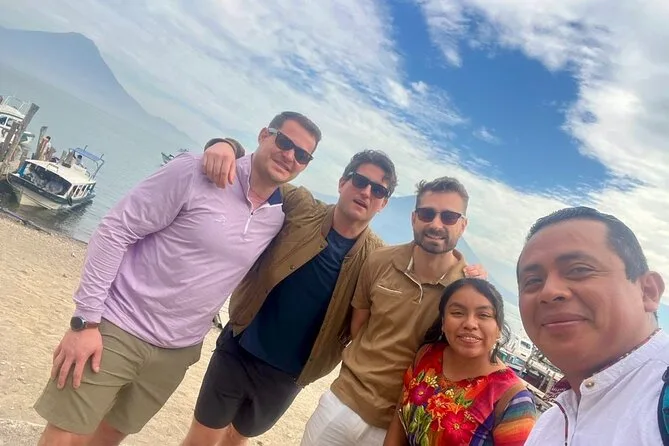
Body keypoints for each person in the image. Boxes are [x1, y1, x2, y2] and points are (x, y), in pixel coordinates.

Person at [33, 111, 321, 446]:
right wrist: (85, 321)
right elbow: (115, 231)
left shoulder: (277, 217)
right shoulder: (194, 171)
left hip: (178, 350)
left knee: (111, 433)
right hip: (119, 325)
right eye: (284, 141)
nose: (290, 155)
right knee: (66, 430)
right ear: (263, 135)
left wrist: (227, 144)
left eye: (302, 155)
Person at [300, 176, 485, 446]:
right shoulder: (380, 261)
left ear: (463, 224)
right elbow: (359, 327)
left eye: (449, 217)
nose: (436, 224)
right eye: (427, 213)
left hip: (400, 427)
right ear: (414, 218)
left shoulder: (466, 292)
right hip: (343, 403)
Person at [517, 207, 667, 445]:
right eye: (533, 281)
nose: (549, 291)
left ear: (647, 291)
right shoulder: (550, 424)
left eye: (579, 270)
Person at [384, 278, 537, 446]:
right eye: (457, 313)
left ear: (499, 328)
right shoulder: (426, 355)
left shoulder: (514, 401)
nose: (470, 324)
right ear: (443, 322)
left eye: (484, 315)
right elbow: (399, 420)